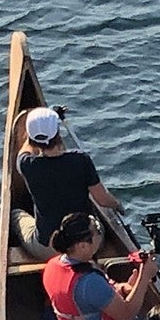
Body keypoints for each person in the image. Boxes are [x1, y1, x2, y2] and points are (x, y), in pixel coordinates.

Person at [43, 212, 159, 320]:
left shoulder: (53, 265)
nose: (100, 234)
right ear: (82, 245)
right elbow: (127, 313)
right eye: (96, 231)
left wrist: (122, 288)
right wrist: (145, 276)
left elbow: (91, 298)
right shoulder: (89, 282)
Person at [12, 108, 122, 258]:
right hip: (89, 245)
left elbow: (25, 150)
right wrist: (117, 205)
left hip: (48, 249)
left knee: (16, 215)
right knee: (96, 221)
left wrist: (32, 135)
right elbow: (102, 200)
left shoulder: (26, 164)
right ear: (58, 135)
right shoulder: (81, 160)